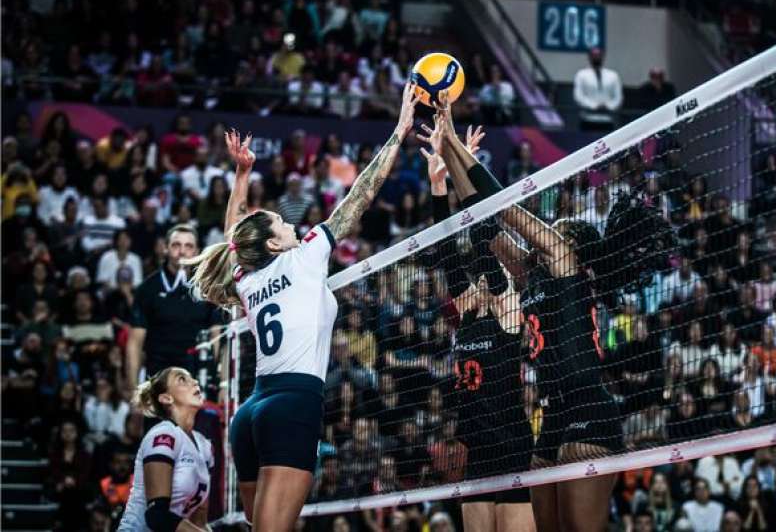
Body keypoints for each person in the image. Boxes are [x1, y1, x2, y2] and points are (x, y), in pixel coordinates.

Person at [184, 86, 418, 532]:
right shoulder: (305, 253)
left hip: (253, 410)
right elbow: (359, 196)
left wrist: (241, 176)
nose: (293, 224)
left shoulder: (246, 277)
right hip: (293, 404)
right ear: (274, 242)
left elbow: (236, 234)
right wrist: (399, 131)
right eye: (283, 223)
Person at [427, 95, 621, 532]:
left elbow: (502, 207)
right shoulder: (529, 273)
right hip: (551, 415)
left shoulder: (566, 265)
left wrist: (457, 144)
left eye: (560, 230)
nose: (551, 232)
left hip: (589, 407)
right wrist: (451, 151)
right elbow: (484, 224)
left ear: (572, 248)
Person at [419, 121, 535, 531]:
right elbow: (449, 253)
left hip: (511, 445)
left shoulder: (508, 311)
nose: (484, 277)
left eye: (491, 274)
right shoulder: (469, 309)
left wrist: (460, 164)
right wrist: (438, 183)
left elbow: (484, 243)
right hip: (476, 448)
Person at [125, 225, 220, 406]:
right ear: (165, 248)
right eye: (176, 245)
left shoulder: (208, 289)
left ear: (197, 251)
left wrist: (222, 383)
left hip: (198, 381)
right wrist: (134, 392)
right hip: (159, 383)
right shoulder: (148, 289)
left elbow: (217, 339)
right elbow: (134, 343)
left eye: (188, 246)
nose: (182, 251)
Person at [118, 368, 213, 531]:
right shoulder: (163, 435)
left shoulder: (205, 446)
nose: (195, 382)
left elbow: (199, 521)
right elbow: (156, 516)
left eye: (192, 378)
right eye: (182, 379)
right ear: (166, 398)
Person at [572, 47, 623, 131]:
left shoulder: (613, 75)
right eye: (594, 55)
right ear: (589, 57)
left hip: (607, 119)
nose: (596, 57)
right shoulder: (581, 74)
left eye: (599, 55)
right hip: (587, 119)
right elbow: (578, 96)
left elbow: (618, 97)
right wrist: (594, 106)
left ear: (603, 56)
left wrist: (609, 106)